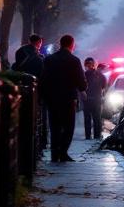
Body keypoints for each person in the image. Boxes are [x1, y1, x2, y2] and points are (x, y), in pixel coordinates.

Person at [39, 34, 86, 162]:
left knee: (54, 127)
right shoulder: (74, 60)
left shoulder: (49, 60)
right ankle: (63, 152)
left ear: (60, 44)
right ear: (72, 45)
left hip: (52, 98)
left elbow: (43, 79)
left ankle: (55, 153)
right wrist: (82, 90)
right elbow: (81, 81)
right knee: (68, 127)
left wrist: (43, 96)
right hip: (68, 99)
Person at [82, 57, 107, 140]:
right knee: (97, 118)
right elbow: (104, 86)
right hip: (97, 99)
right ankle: (97, 136)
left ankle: (88, 136)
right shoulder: (100, 75)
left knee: (87, 119)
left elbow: (81, 87)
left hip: (87, 100)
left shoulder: (84, 75)